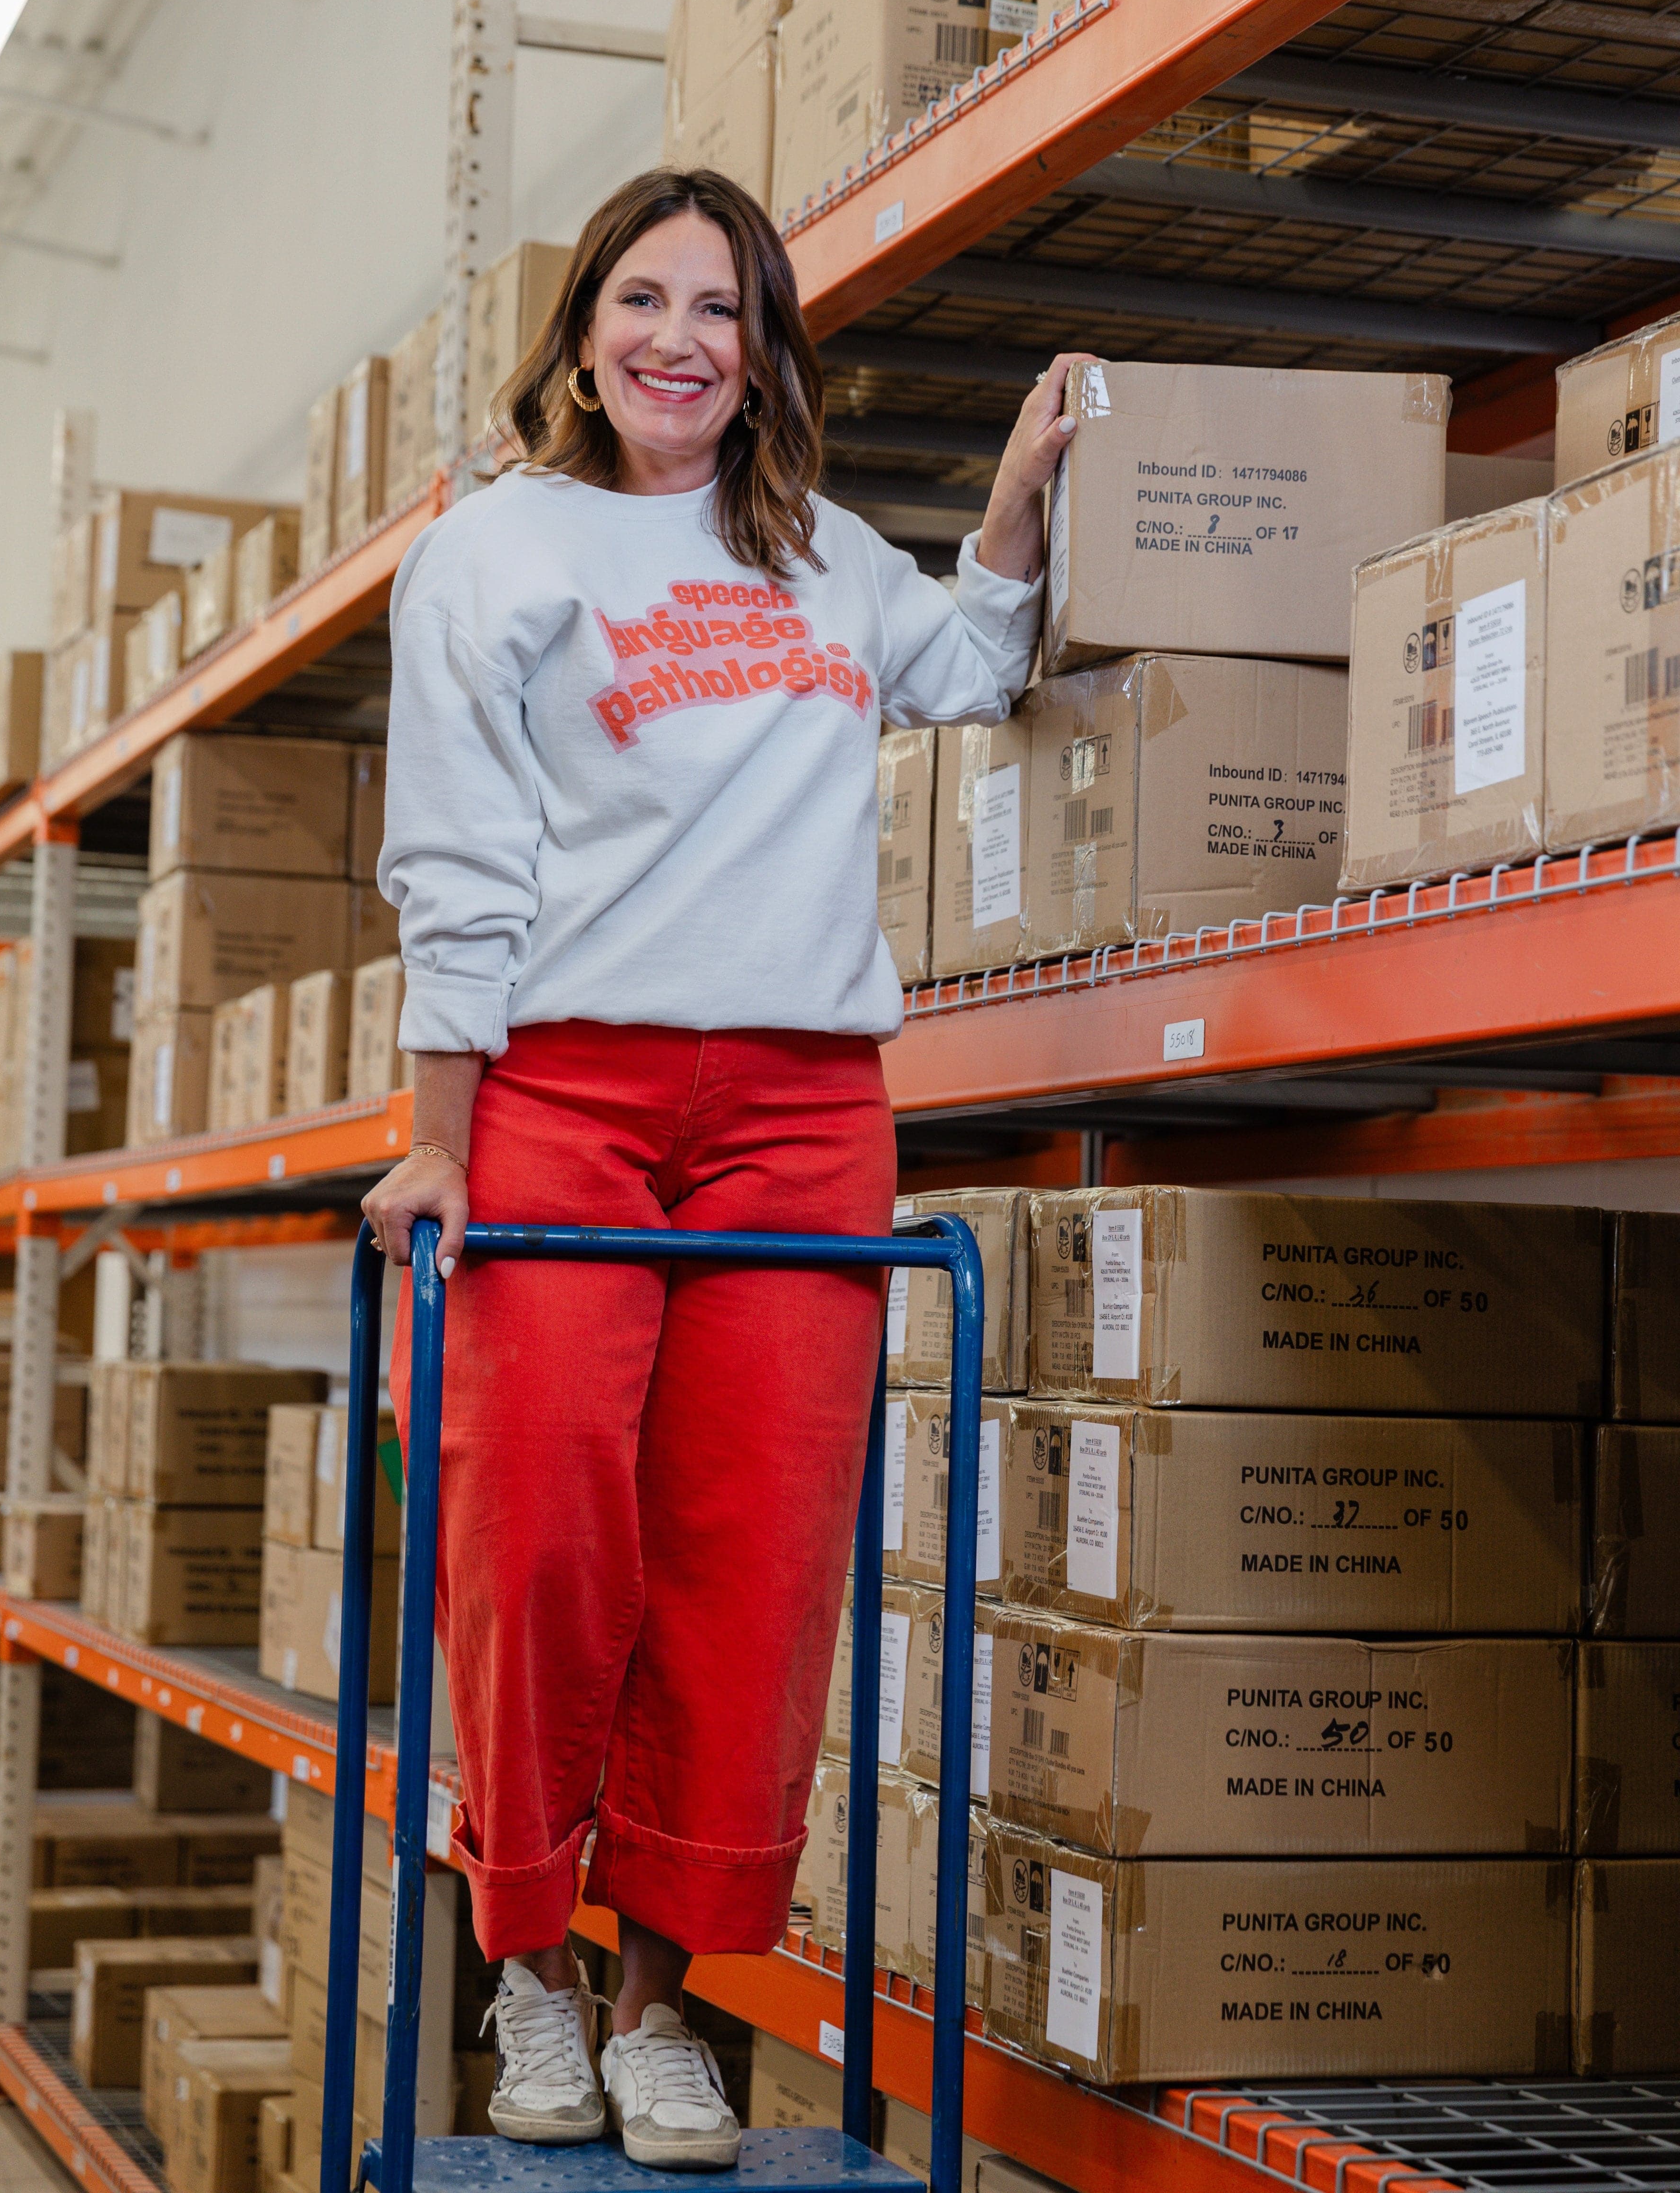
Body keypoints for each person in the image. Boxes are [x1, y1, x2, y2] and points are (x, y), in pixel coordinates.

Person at [360, 166, 1085, 2170]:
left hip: (802, 1107)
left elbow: (974, 666)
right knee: (538, 1536)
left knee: (754, 1560)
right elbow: (454, 857)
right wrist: (438, 1138)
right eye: (645, 300)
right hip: (564, 1093)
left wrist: (1017, 503)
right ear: (585, 331)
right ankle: (529, 1959)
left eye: (722, 309)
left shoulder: (824, 554)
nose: (679, 340)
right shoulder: (496, 553)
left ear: (764, 355)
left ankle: (662, 2004)